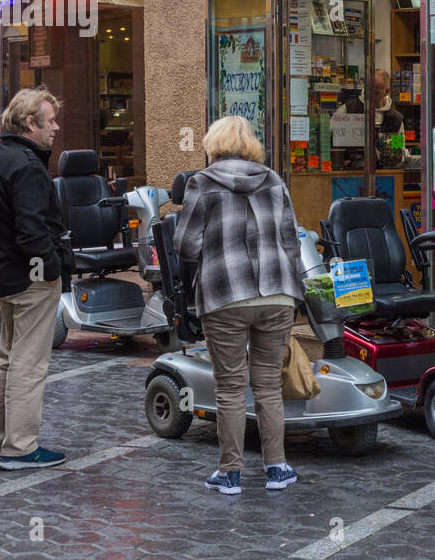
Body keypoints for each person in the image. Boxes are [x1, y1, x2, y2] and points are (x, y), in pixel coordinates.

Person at [174, 115, 305, 495]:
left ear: (214, 144)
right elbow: (291, 241)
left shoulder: (202, 183)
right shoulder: (274, 181)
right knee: (267, 385)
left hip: (226, 293)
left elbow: (186, 246)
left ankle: (230, 473)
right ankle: (277, 468)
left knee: (230, 388)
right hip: (277, 293)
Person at [0, 87, 71, 470]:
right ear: (31, 123)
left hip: (5, 274)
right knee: (28, 365)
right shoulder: (28, 166)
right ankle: (20, 448)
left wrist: (4, 253)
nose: (56, 128)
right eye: (51, 121)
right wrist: (50, 268)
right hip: (31, 282)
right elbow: (33, 232)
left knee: (9, 361)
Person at [333, 69, 406, 169]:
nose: (369, 95)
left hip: (385, 177)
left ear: (386, 91)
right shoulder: (348, 109)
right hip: (350, 175)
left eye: (375, 92)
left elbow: (398, 155)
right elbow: (328, 138)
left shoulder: (395, 120)